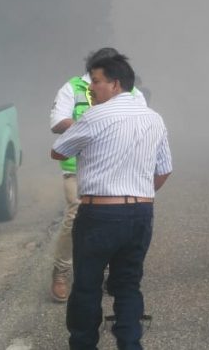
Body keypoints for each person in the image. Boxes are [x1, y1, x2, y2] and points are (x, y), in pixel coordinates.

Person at [51, 51, 171, 350]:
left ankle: (83, 345)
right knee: (128, 286)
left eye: (96, 81)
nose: (91, 87)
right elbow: (165, 170)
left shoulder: (95, 115)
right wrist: (139, 194)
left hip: (99, 216)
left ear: (116, 85)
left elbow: (58, 151)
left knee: (87, 287)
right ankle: (130, 345)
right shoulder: (154, 118)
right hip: (141, 213)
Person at [49, 48, 147, 302]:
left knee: (115, 221)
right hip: (78, 168)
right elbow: (57, 121)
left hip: (119, 169)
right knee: (75, 215)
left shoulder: (133, 92)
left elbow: (143, 124)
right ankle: (61, 271)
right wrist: (95, 126)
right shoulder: (74, 87)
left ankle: (107, 271)